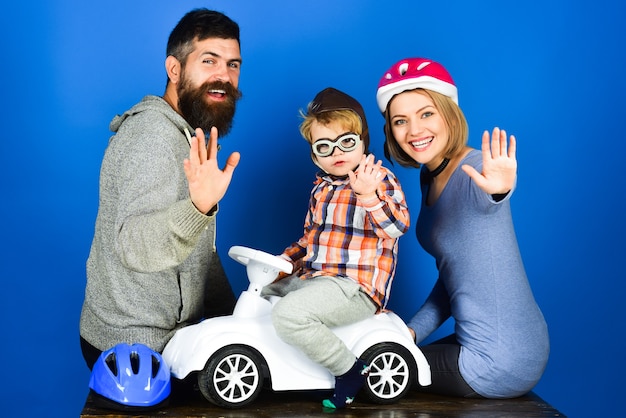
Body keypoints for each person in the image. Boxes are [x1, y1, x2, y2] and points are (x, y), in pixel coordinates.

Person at [375, 57, 550, 399]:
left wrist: (499, 189)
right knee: (393, 354)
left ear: (448, 114)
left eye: (426, 113)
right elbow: (456, 279)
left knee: (376, 371)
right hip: (507, 342)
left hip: (499, 359)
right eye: (401, 121)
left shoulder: (475, 170)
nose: (414, 131)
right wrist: (412, 331)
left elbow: (491, 197)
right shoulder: (430, 175)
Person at [80, 8, 243, 370]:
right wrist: (198, 207)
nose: (224, 76)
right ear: (174, 69)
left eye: (233, 64)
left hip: (165, 335)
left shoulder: (184, 133)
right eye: (209, 61)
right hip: (134, 348)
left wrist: (234, 320)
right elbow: (134, 247)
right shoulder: (153, 139)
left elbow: (196, 250)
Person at [262, 87, 410, 409]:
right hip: (318, 279)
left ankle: (350, 369)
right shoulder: (321, 189)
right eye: (324, 147)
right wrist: (280, 264)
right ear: (315, 156)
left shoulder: (379, 179)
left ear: (362, 142)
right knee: (264, 296)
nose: (336, 152)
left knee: (290, 314)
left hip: (356, 287)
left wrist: (369, 196)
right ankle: (284, 368)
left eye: (346, 141)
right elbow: (309, 240)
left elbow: (396, 228)